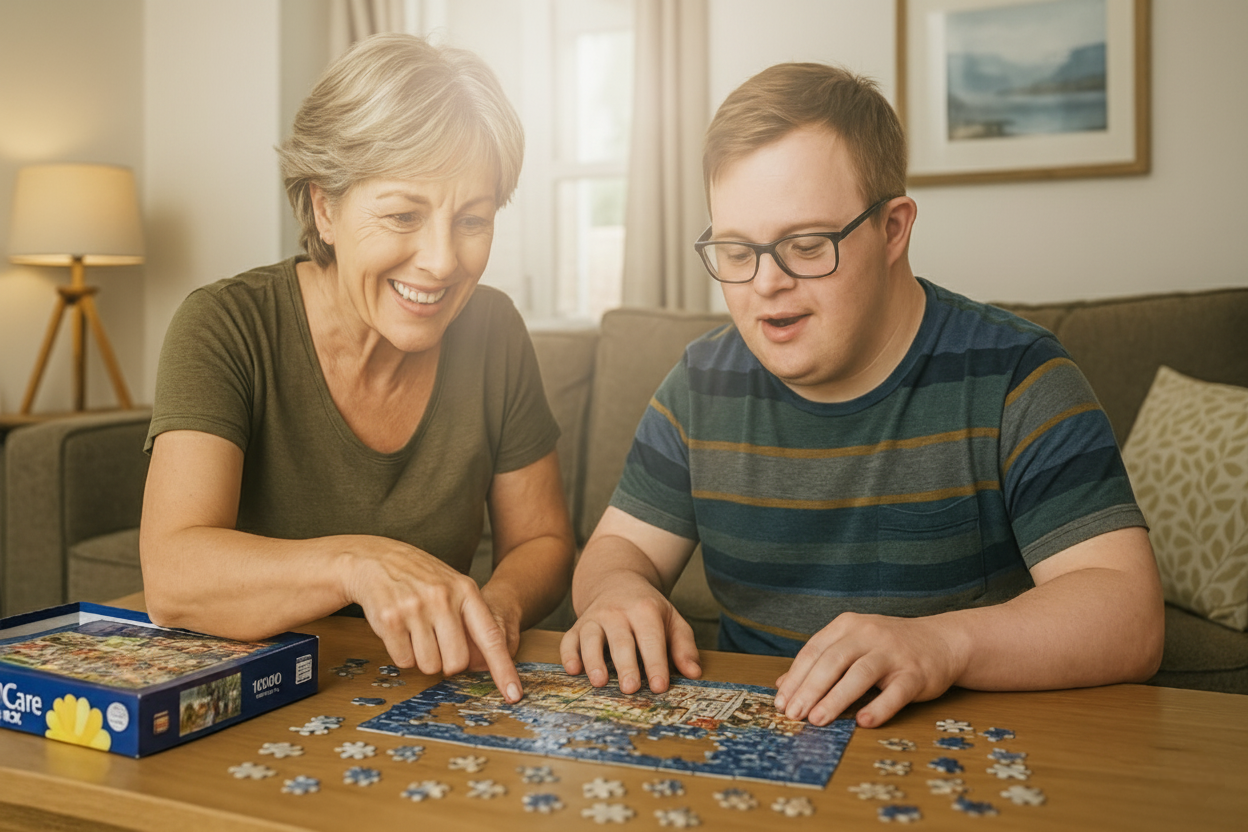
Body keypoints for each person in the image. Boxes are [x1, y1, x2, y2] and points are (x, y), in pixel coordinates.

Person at [560, 62, 1164, 727]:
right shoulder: (701, 383)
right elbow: (621, 550)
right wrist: (616, 591)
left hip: (959, 752)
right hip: (754, 747)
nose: (766, 283)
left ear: (893, 230)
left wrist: (941, 643)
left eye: (806, 244)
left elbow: (1127, 614)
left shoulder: (1019, 376)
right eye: (737, 251)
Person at [140, 33, 575, 704]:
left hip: (424, 696)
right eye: (403, 214)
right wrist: (357, 563)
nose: (441, 260)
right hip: (249, 699)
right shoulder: (225, 325)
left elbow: (543, 539)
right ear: (326, 206)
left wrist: (500, 606)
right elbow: (172, 574)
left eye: (473, 219)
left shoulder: (494, 330)